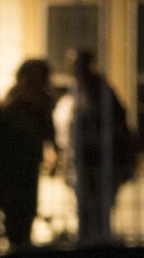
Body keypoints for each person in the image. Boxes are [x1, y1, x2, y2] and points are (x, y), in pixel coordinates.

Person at [53, 50, 137, 244]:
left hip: (101, 161)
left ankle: (96, 244)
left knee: (98, 208)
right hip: (85, 160)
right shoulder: (78, 92)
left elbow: (116, 125)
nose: (75, 71)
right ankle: (89, 241)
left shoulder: (101, 92)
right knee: (86, 208)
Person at [0, 59, 56, 250]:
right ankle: (15, 237)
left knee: (27, 200)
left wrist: (54, 150)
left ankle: (22, 238)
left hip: (30, 157)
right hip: (12, 158)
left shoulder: (42, 100)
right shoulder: (15, 98)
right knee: (13, 200)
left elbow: (48, 129)